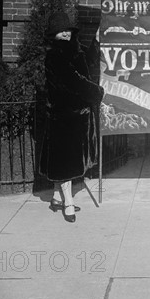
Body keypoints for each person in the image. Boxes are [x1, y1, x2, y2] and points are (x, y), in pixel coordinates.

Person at [39, 12, 104, 223]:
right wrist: (97, 92)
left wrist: (97, 40)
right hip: (64, 117)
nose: (65, 33)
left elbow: (89, 61)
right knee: (66, 163)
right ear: (54, 35)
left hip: (78, 117)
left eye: (67, 29)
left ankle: (58, 198)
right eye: (61, 30)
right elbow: (74, 81)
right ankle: (68, 204)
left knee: (67, 161)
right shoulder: (55, 56)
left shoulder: (74, 50)